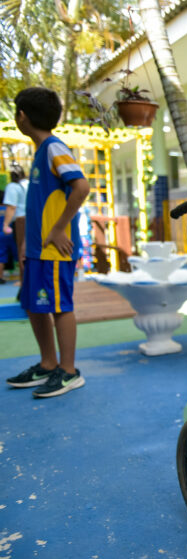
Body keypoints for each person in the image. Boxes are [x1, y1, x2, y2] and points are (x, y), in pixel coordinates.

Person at [6, 87, 89, 398]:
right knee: (34, 305)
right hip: (40, 249)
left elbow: (81, 186)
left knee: (59, 306)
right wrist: (29, 244)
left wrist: (58, 230)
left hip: (56, 248)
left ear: (22, 116)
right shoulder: (42, 151)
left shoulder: (54, 147)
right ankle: (49, 362)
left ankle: (69, 371)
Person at [2, 164, 28, 260]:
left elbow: (11, 207)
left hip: (20, 221)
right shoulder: (28, 183)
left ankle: (24, 274)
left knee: (21, 253)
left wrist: (6, 225)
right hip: (33, 219)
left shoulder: (12, 186)